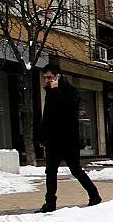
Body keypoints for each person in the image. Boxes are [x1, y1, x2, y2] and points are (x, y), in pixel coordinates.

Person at [38, 64, 101, 212]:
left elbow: (66, 111)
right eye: (45, 78)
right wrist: (43, 135)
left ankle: (94, 195)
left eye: (49, 77)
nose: (47, 80)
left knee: (76, 170)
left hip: (68, 140)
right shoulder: (50, 91)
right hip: (53, 141)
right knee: (50, 172)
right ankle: (50, 203)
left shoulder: (71, 91)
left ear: (57, 76)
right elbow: (48, 116)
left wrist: (55, 91)